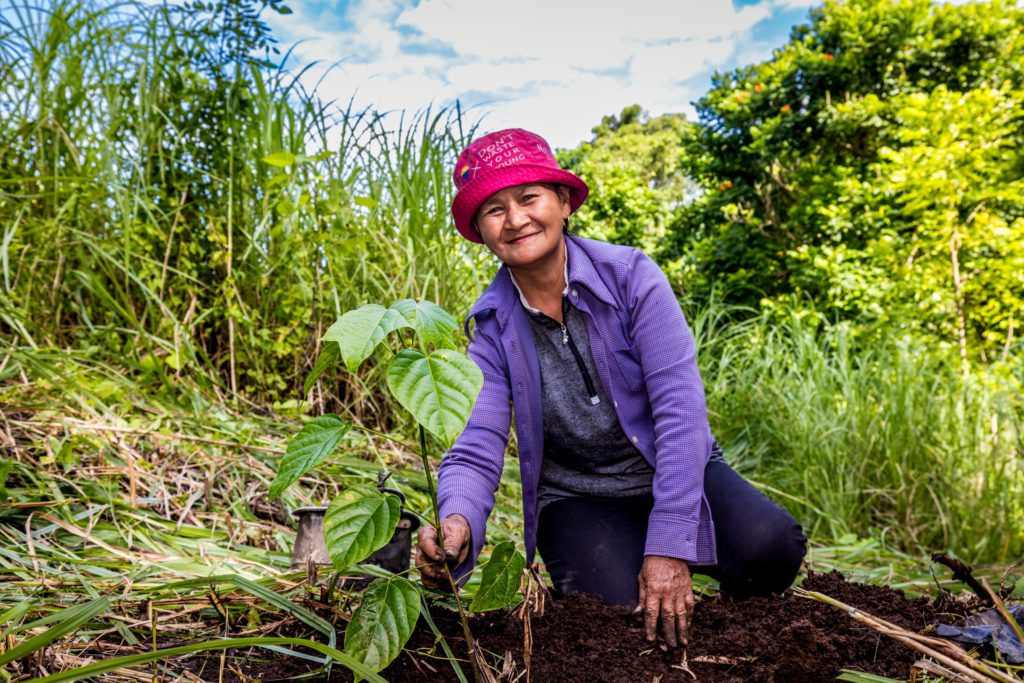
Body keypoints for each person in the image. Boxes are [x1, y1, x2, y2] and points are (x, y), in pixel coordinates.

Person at [416, 128, 806, 648]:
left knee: (770, 546)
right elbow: (475, 445)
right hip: (578, 497)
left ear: (561, 202)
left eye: (529, 198)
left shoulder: (632, 278)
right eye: (493, 209)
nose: (515, 220)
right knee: (612, 623)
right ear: (480, 232)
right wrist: (457, 521)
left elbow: (681, 415)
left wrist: (669, 545)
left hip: (670, 468)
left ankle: (728, 629)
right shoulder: (491, 327)